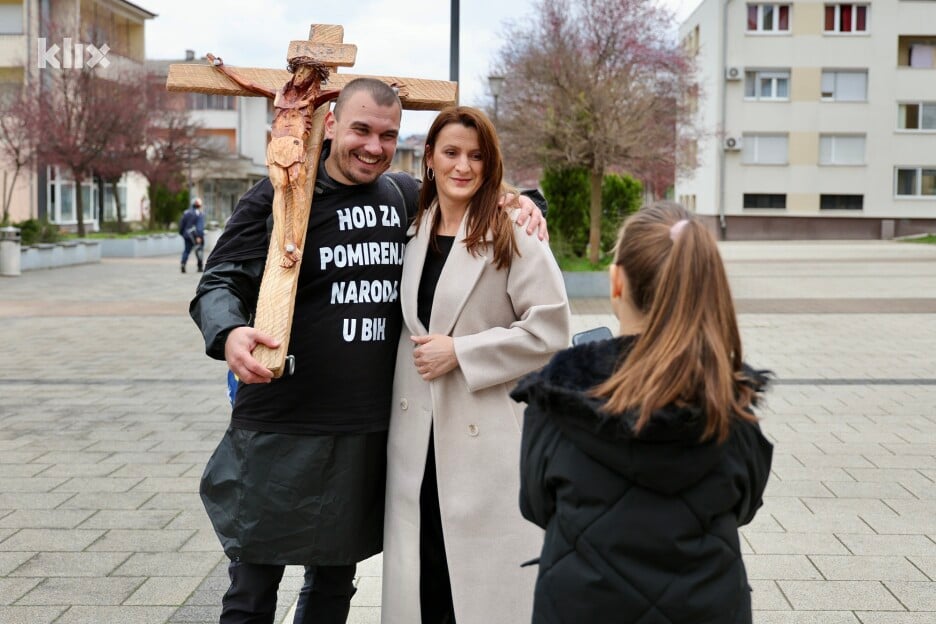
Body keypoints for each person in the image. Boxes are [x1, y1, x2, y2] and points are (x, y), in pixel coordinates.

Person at [191, 79, 547, 624]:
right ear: (330, 124)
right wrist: (229, 332)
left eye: (387, 135)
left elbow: (469, 195)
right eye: (361, 129)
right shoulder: (280, 194)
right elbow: (219, 279)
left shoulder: (403, 196)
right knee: (252, 587)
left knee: (334, 585)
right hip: (280, 425)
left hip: (365, 430)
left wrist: (524, 202)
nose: (374, 147)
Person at [510, 201, 774, 624]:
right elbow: (746, 505)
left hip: (581, 605)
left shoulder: (559, 392)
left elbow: (535, 504)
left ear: (616, 284)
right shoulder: (729, 395)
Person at [380, 106, 570, 624]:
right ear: (430, 159)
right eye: (451, 153)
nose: (463, 166)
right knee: (423, 581)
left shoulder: (514, 231)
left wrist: (462, 352)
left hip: (483, 439)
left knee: (476, 586)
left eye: (476, 155)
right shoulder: (413, 230)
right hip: (415, 441)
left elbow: (552, 332)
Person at [179, 197, 205, 273]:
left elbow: (181, 224)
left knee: (186, 250)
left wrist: (182, 233)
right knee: (199, 250)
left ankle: (183, 264)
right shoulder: (199, 214)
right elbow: (200, 226)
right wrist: (199, 236)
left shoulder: (186, 212)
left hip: (187, 235)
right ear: (199, 205)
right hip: (196, 236)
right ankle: (200, 266)